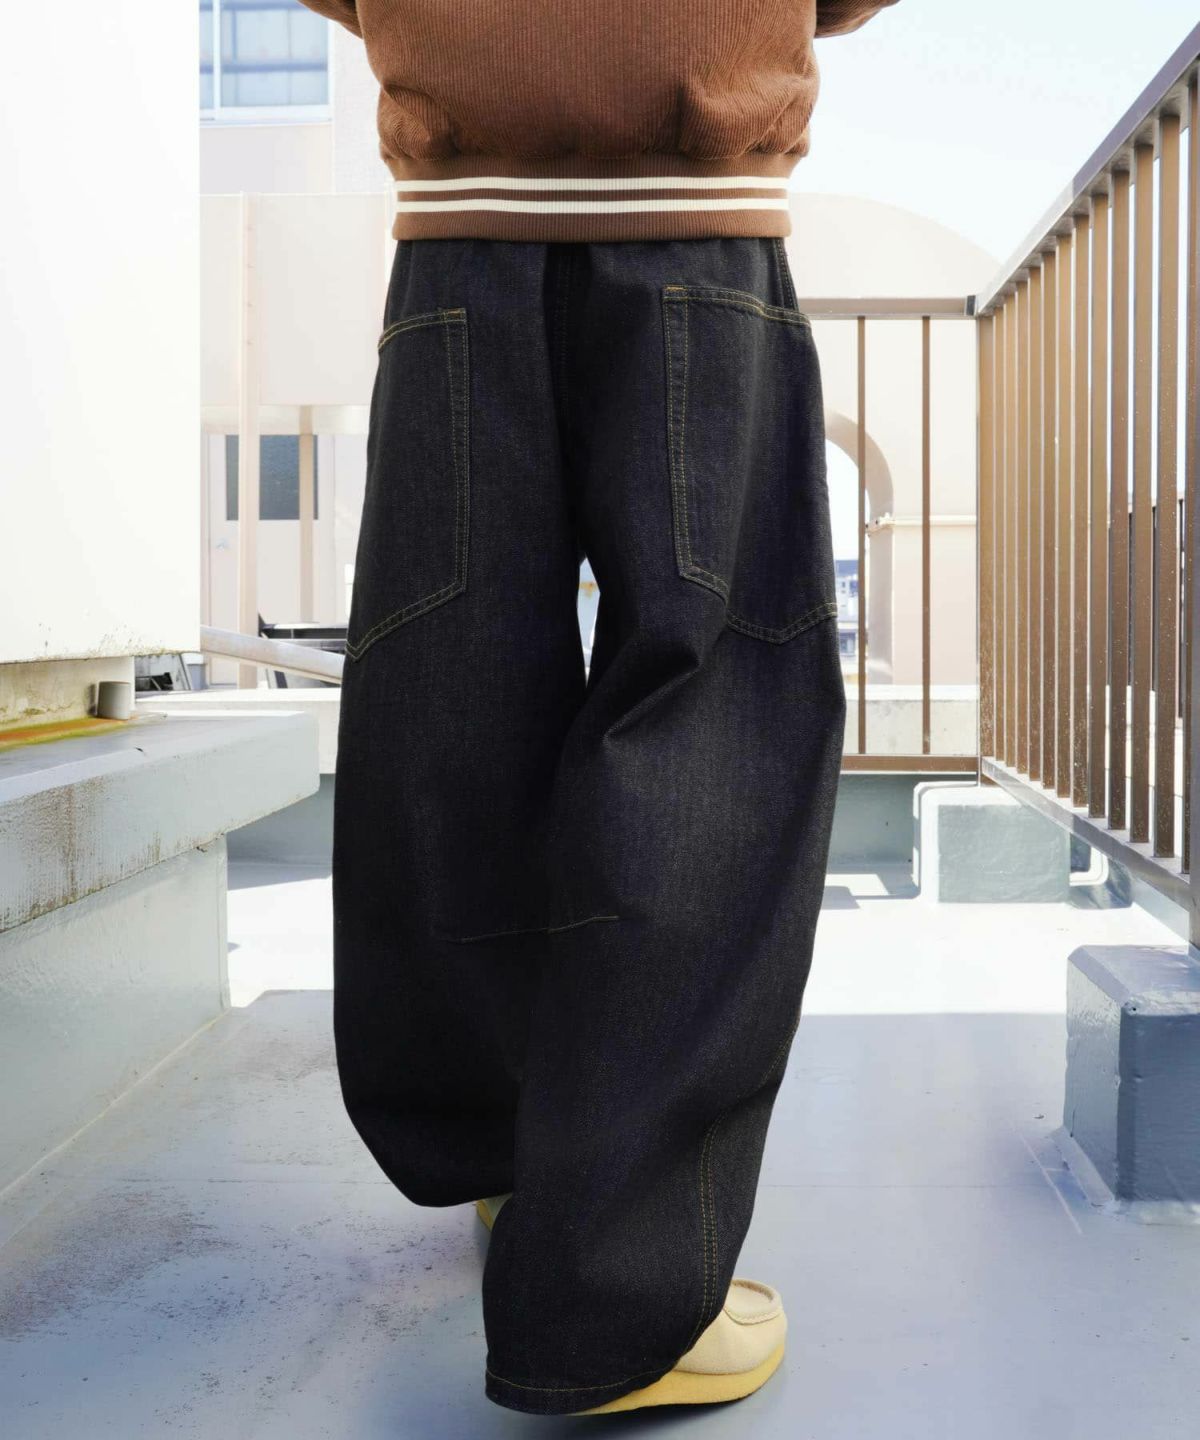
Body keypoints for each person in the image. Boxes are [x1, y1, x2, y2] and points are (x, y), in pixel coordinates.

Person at [295, 0, 898, 1417]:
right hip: (694, 211)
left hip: (459, 232)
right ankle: (617, 1293)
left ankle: (507, 1156)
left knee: (450, 705)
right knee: (713, 736)